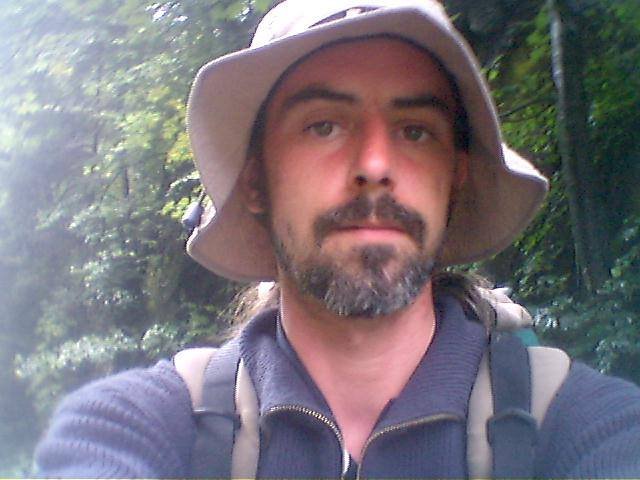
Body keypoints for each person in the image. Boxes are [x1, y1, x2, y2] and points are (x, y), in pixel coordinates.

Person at [35, 0, 640, 478]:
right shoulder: (138, 426)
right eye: (323, 125)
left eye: (415, 130)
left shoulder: (588, 425)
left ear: (454, 180)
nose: (375, 164)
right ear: (255, 181)